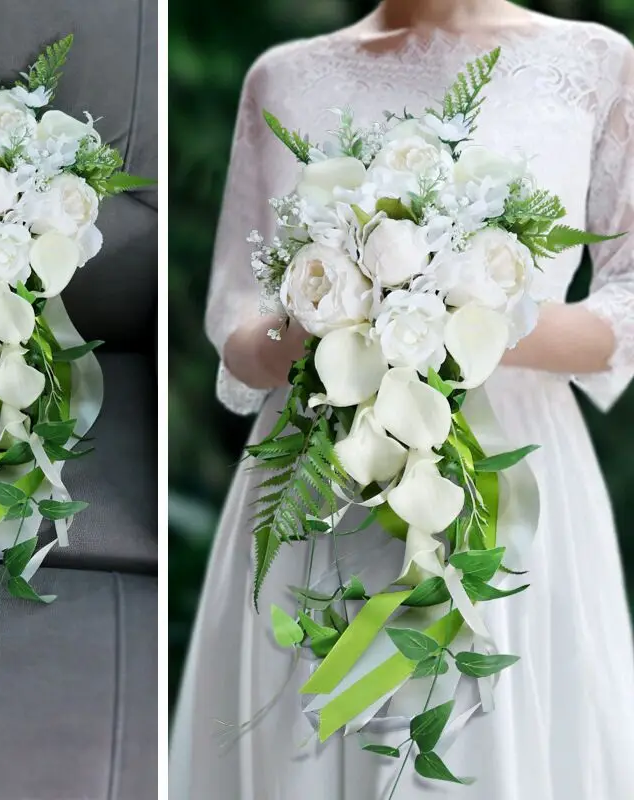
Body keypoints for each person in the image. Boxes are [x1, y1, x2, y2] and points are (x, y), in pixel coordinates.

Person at [170, 1, 634, 796]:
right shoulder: (283, 75)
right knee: (305, 743)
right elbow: (233, 314)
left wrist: (444, 317)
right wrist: (335, 317)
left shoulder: (598, 63)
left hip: (514, 475)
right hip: (315, 471)